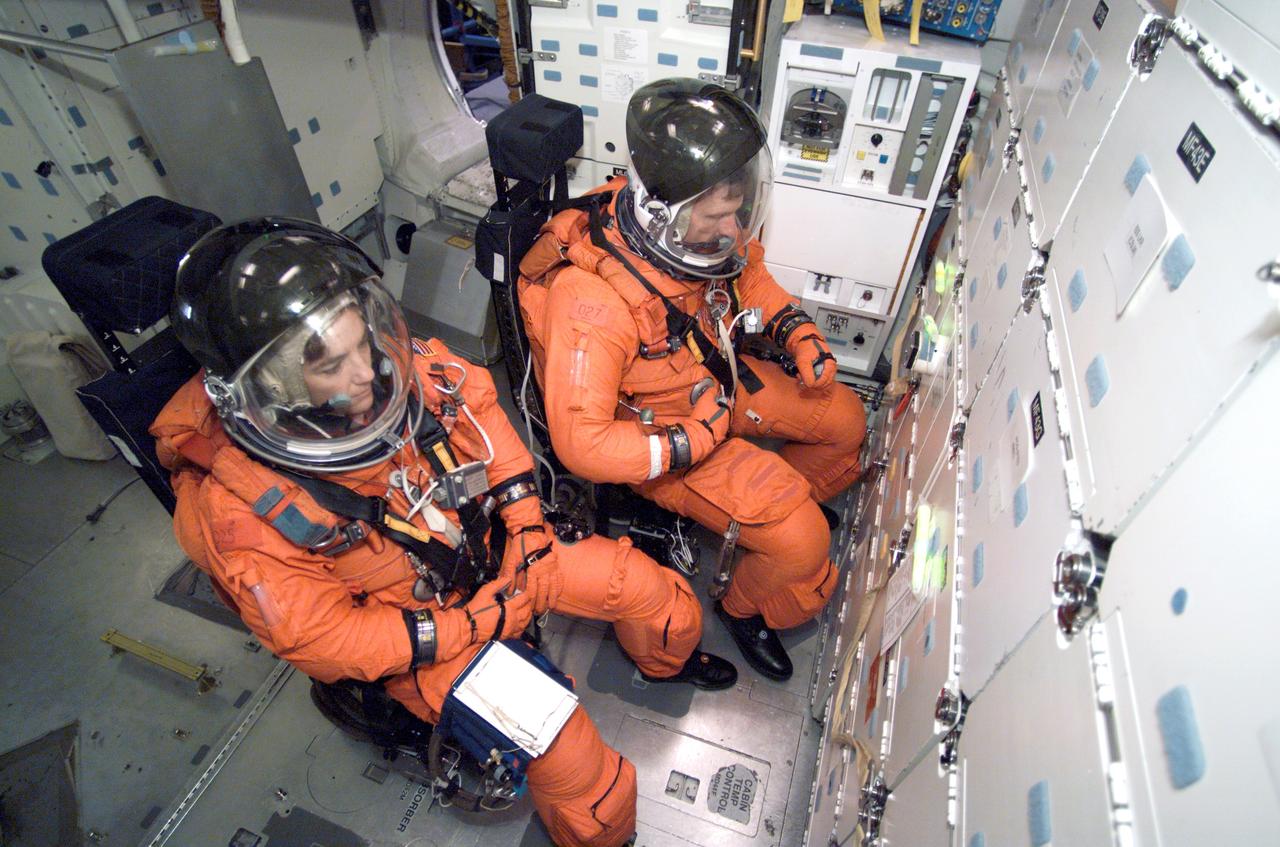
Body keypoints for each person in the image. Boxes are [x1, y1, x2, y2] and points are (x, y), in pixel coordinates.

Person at [151, 218, 736, 847]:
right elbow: (323, 638)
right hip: (426, 633)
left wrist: (528, 529)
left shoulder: (415, 376)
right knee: (581, 768)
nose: (366, 375)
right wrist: (474, 626)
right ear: (274, 388)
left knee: (660, 598)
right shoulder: (241, 513)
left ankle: (663, 662)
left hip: (502, 556)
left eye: (363, 345)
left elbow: (491, 430)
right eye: (330, 366)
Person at [518, 78, 867, 682]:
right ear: (669, 215)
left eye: (739, 210)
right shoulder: (593, 302)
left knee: (846, 422)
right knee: (807, 544)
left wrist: (795, 330)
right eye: (721, 215)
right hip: (666, 436)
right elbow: (583, 444)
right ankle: (743, 605)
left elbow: (745, 277)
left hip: (715, 379)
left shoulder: (682, 228)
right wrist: (694, 439)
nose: (734, 228)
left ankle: (777, 524)